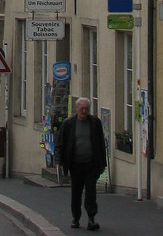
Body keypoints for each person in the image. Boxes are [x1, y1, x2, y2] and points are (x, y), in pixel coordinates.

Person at [56, 97, 107, 231]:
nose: (84, 111)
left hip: (91, 163)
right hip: (75, 164)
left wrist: (103, 163)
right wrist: (58, 162)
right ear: (76, 109)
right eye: (81, 109)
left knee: (91, 192)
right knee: (76, 192)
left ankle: (91, 218)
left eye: (86, 109)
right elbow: (60, 144)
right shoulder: (68, 124)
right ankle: (76, 218)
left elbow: (101, 144)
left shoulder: (95, 122)